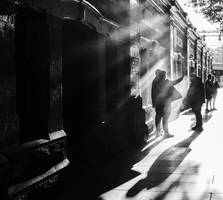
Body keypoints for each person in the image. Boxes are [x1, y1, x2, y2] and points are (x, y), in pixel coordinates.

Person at [151, 69, 184, 138]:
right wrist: (181, 78)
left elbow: (153, 93)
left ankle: (158, 132)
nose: (165, 76)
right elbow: (174, 82)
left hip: (158, 104)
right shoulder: (165, 82)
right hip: (166, 103)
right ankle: (166, 133)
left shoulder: (155, 82)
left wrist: (154, 103)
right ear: (163, 76)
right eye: (165, 75)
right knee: (165, 118)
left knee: (158, 117)